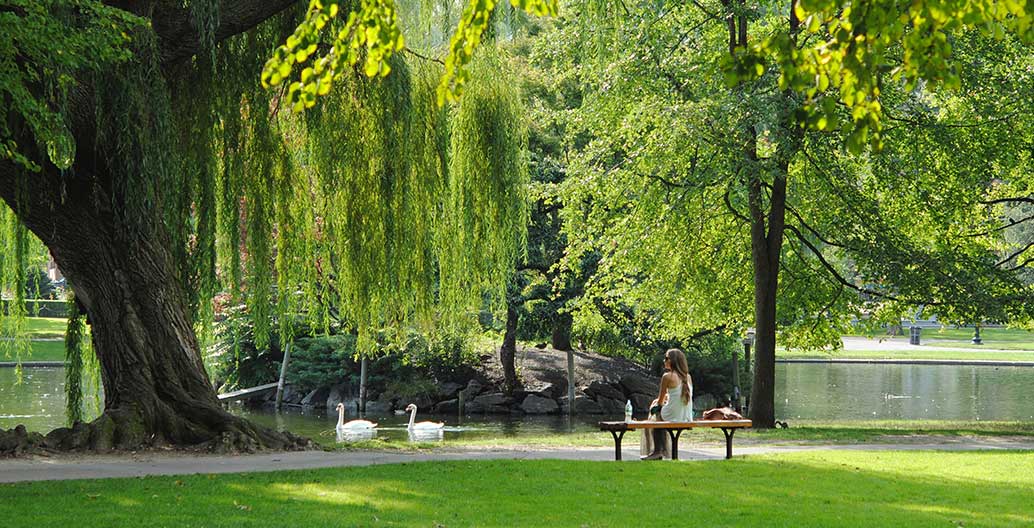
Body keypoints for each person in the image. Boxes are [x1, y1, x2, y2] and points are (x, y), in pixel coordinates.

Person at [641, 348, 693, 460]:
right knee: (659, 413)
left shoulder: (667, 376)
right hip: (686, 417)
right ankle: (661, 450)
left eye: (666, 358)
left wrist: (655, 407)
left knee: (655, 411)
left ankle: (657, 451)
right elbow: (676, 397)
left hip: (672, 416)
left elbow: (660, 401)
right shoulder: (688, 377)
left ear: (673, 361)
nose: (664, 361)